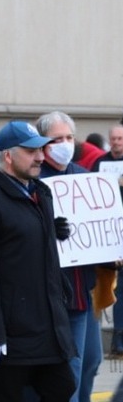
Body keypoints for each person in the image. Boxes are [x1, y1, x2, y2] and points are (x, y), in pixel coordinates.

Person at [0, 121, 76, 401]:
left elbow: (43, 257)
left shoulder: (41, 194)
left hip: (46, 328)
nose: (40, 157)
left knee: (63, 386)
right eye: (31, 151)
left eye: (40, 150)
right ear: (9, 156)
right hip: (10, 335)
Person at [36, 111, 116, 402]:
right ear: (43, 144)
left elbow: (100, 235)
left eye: (70, 137)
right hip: (53, 294)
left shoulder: (85, 179)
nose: (65, 144)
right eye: (58, 139)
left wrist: (113, 250)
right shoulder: (35, 183)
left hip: (84, 290)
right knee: (69, 369)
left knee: (90, 362)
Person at [91, 124, 123, 358]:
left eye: (120, 138)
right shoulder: (99, 163)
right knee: (106, 285)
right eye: (113, 138)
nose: (116, 142)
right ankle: (115, 340)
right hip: (106, 233)